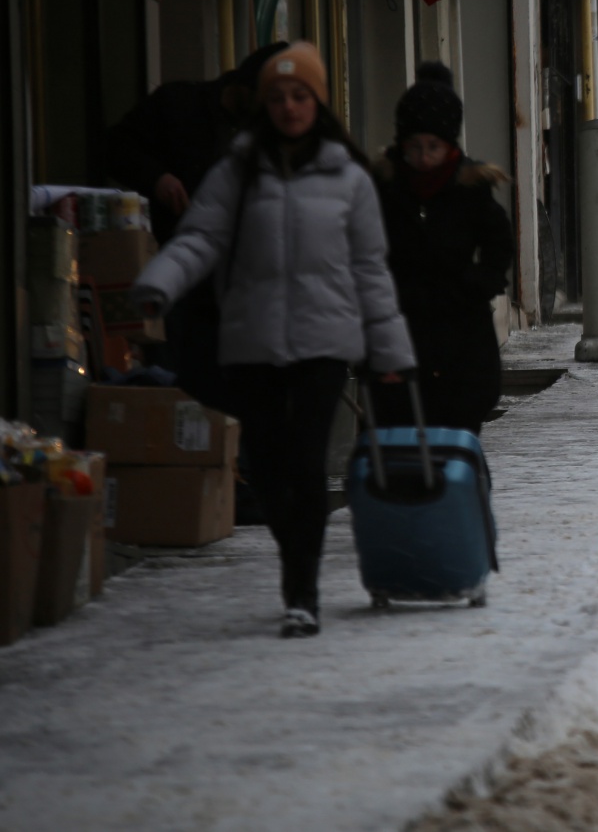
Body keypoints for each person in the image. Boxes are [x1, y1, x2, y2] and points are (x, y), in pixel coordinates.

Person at [132, 42, 414, 639]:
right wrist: (159, 282)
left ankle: (301, 592)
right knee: (264, 466)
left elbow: (370, 269)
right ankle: (296, 560)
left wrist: (389, 352)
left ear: (317, 102)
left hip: (324, 343)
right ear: (264, 105)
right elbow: (200, 238)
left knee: (306, 463)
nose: (289, 106)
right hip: (253, 340)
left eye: (300, 95)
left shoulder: (350, 178)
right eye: (279, 97)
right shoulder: (237, 171)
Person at [105, 42, 290, 400]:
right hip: (170, 265)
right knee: (171, 381)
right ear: (245, 86)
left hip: (230, 288)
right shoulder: (179, 105)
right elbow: (115, 147)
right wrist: (158, 178)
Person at [372, 62, 512, 434]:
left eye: (433, 147)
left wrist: (479, 283)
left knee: (459, 417)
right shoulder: (385, 188)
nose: (423, 157)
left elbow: (499, 242)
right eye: (414, 147)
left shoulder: (470, 188)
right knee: (401, 419)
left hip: (460, 322)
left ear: (449, 146)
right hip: (402, 318)